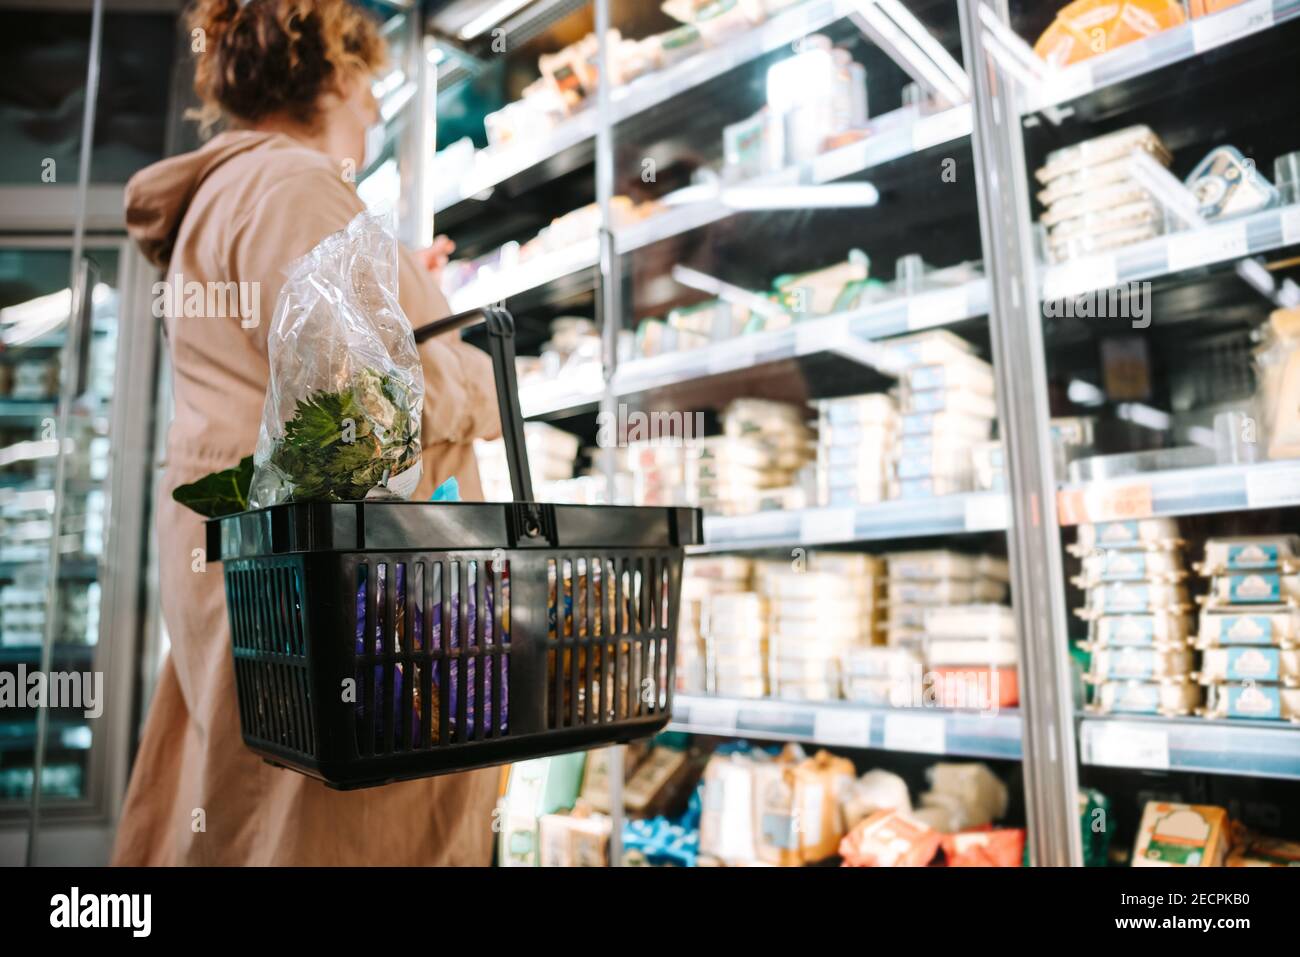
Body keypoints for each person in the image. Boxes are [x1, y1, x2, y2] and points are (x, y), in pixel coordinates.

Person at [113, 0, 501, 865]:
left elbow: (314, 347)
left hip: (272, 580)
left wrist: (405, 294)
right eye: (370, 85)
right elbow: (364, 399)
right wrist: (482, 377)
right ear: (337, 71)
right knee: (329, 832)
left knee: (252, 811)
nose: (371, 111)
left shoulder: (239, 191)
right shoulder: (293, 186)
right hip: (332, 597)